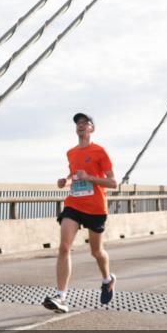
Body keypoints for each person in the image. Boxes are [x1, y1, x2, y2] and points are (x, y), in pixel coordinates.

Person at [43, 112, 118, 313]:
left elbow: (113, 183)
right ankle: (61, 297)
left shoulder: (100, 151)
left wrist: (91, 178)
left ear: (92, 129)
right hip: (74, 204)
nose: (81, 125)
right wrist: (65, 181)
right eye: (78, 123)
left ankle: (107, 279)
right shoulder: (71, 153)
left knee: (96, 251)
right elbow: (74, 175)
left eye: (86, 123)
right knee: (64, 247)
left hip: (95, 208)